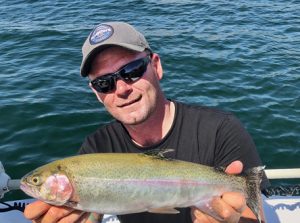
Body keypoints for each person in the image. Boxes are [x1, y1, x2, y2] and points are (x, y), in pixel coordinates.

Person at [24, 21, 268, 223]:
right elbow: (92, 215)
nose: (121, 89)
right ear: (97, 93)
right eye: (104, 83)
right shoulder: (97, 146)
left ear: (156, 66)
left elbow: (252, 214)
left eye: (131, 70)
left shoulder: (220, 129)